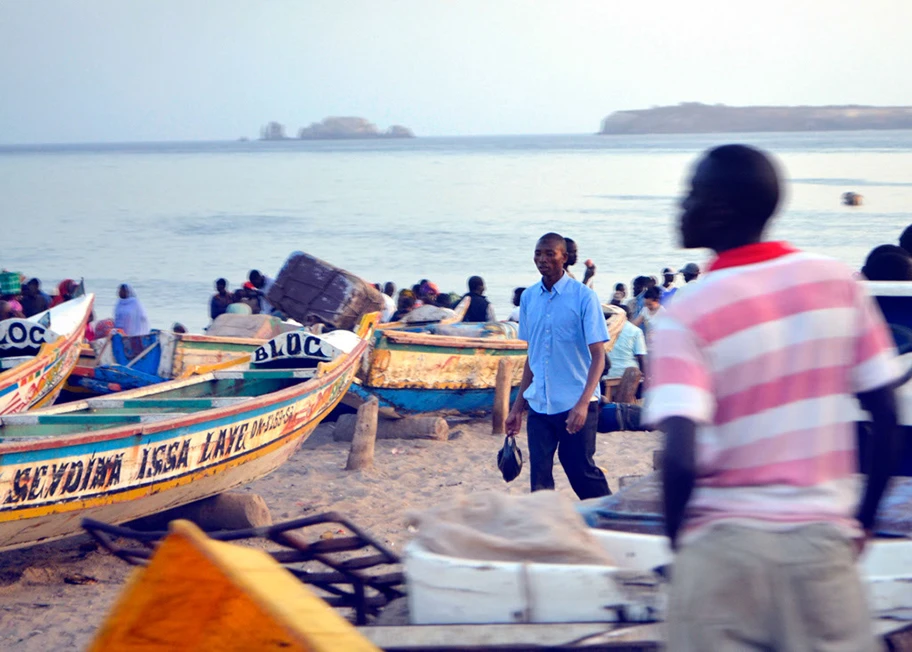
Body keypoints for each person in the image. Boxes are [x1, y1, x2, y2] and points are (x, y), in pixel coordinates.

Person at [646, 144, 900, 651]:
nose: (680, 205)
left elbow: (680, 458)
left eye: (691, 194)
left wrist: (682, 549)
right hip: (821, 549)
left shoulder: (686, 313)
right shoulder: (836, 282)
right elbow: (886, 417)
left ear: (719, 209)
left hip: (722, 553)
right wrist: (862, 521)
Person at [506, 232, 611, 500]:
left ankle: (610, 519)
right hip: (540, 405)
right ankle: (543, 534)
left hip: (575, 403)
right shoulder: (529, 298)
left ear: (564, 258)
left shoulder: (584, 298)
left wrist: (583, 403)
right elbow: (533, 355)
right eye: (538, 253)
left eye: (549, 253)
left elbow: (598, 355)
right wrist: (517, 408)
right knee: (539, 477)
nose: (542, 259)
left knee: (580, 471)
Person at [606, 306, 646, 380]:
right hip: (629, 374)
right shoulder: (636, 331)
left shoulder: (606, 329)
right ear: (629, 316)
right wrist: (644, 375)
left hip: (608, 374)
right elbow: (640, 356)